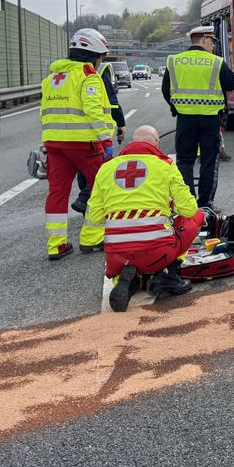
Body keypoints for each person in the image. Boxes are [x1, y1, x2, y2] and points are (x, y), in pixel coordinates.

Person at [87, 124, 205, 312]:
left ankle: (130, 280)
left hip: (117, 256)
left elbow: (94, 215)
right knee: (196, 217)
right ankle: (167, 274)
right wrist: (167, 205)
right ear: (156, 144)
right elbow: (189, 209)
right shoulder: (164, 166)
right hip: (156, 252)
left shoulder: (106, 168)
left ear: (132, 143)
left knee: (128, 258)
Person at [40, 29, 111, 260]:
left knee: (57, 193)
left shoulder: (52, 78)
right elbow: (92, 110)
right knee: (100, 189)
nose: (101, 62)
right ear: (92, 55)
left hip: (54, 145)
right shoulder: (88, 76)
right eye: (101, 56)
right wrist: (106, 139)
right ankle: (91, 238)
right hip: (84, 144)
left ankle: (56, 245)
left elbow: (45, 112)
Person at [161, 25, 234, 209]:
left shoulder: (174, 61)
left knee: (184, 161)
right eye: (212, 41)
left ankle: (188, 204)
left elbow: (166, 90)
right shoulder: (216, 62)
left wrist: (176, 107)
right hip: (210, 120)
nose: (213, 45)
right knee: (209, 161)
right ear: (204, 39)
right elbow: (231, 84)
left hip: (184, 119)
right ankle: (205, 203)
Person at [71, 64, 125, 215]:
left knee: (83, 173)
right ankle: (87, 204)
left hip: (67, 134)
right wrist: (120, 123)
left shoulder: (65, 72)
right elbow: (112, 102)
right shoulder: (98, 72)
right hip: (94, 134)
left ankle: (85, 204)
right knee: (100, 173)